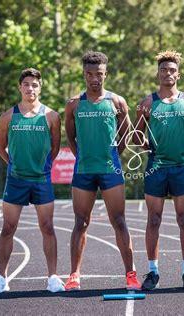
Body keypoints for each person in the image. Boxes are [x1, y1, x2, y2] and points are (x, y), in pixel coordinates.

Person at [64, 51, 142, 291]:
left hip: (110, 169)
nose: (94, 78)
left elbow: (126, 134)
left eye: (99, 73)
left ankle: (131, 274)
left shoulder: (117, 102)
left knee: (119, 221)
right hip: (84, 170)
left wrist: (113, 156)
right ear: (84, 74)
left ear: (106, 73)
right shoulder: (74, 104)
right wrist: (82, 156)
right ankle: (74, 275)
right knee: (80, 222)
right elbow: (70, 135)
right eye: (89, 74)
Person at [133, 50, 184, 290]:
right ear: (158, 74)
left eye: (172, 70)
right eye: (164, 70)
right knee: (153, 219)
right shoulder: (148, 103)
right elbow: (135, 136)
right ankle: (153, 272)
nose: (168, 73)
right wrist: (151, 149)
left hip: (181, 168)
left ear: (179, 74)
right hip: (156, 168)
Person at [0, 68, 64, 294]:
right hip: (16, 180)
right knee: (8, 227)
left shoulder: (51, 116)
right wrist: (14, 164)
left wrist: (44, 166)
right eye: (27, 84)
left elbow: (55, 147)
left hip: (41, 179)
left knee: (48, 227)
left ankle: (52, 278)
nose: (31, 88)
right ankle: (1, 278)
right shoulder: (8, 116)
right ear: (20, 87)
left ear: (41, 88)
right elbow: (1, 148)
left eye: (35, 85)